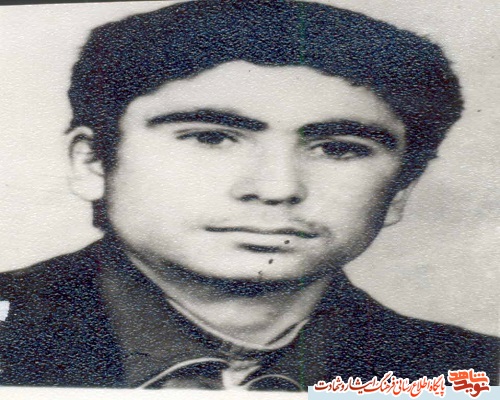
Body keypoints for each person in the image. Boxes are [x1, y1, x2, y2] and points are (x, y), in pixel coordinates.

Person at [0, 0, 497, 391]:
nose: (276, 189)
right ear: (92, 162)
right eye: (210, 138)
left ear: (400, 189)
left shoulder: (475, 374)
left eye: (338, 149)